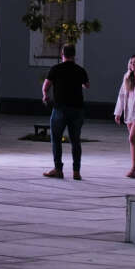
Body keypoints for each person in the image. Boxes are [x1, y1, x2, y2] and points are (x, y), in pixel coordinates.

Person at [40, 43, 89, 179]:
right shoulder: (80, 70)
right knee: (75, 141)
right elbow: (87, 85)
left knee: (56, 139)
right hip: (77, 109)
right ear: (74, 55)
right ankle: (76, 171)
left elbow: (46, 86)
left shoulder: (55, 69)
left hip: (60, 108)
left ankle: (58, 169)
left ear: (62, 54)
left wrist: (45, 95)